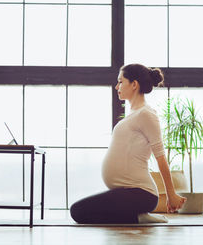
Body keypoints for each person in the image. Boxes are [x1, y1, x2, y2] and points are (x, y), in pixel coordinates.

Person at [70, 63, 187, 224]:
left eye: (120, 81)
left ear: (134, 84)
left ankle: (139, 217)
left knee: (78, 211)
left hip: (142, 194)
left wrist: (171, 195)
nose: (116, 86)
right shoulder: (134, 115)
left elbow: (160, 157)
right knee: (79, 211)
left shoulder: (146, 114)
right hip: (128, 192)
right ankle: (138, 217)